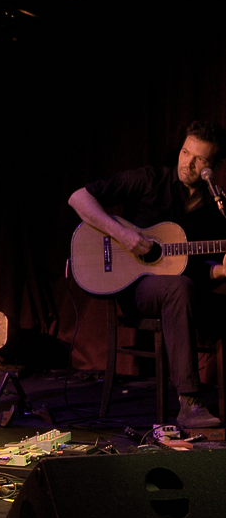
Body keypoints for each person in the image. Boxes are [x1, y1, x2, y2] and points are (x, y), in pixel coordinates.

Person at [68, 120, 226, 428]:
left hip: (187, 291)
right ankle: (189, 403)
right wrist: (124, 236)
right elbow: (78, 198)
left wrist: (220, 270)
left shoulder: (216, 208)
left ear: (215, 167)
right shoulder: (150, 180)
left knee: (184, 286)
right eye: (185, 152)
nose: (188, 163)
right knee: (178, 288)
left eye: (200, 160)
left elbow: (201, 265)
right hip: (132, 287)